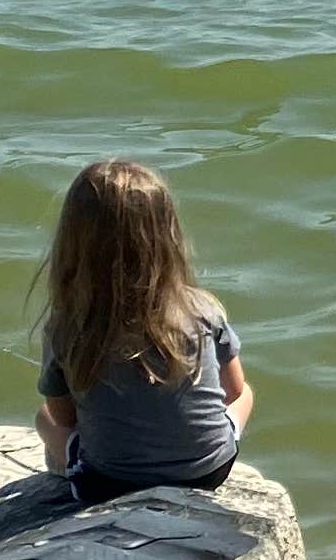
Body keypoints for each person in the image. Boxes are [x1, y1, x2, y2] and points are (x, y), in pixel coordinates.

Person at [31, 159, 254, 503]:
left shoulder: (68, 323)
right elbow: (234, 389)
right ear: (168, 236)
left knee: (43, 420)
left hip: (106, 486)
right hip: (207, 473)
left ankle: (65, 493)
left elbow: (63, 416)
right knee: (248, 394)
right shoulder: (202, 310)